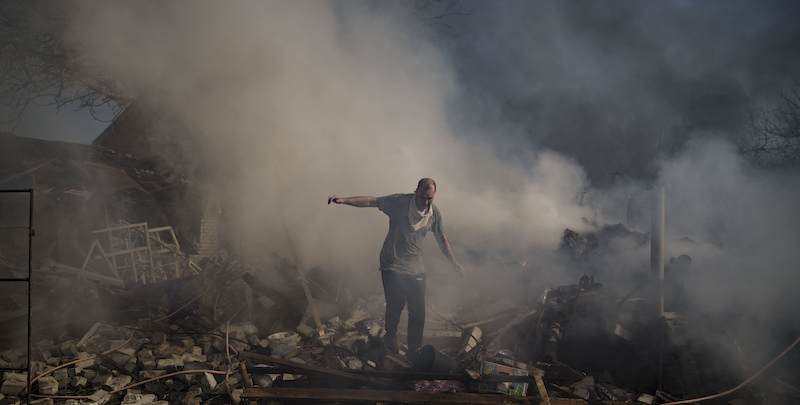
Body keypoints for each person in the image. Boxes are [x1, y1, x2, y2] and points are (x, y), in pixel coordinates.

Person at [328, 178, 464, 358]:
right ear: (416, 191)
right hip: (391, 263)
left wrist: (453, 261)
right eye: (423, 197)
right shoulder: (400, 202)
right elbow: (371, 201)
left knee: (418, 310)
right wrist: (344, 200)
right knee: (396, 304)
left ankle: (414, 349)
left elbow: (441, 238)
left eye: (430, 199)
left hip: (415, 266)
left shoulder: (433, 214)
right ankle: (390, 335)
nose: (426, 202)